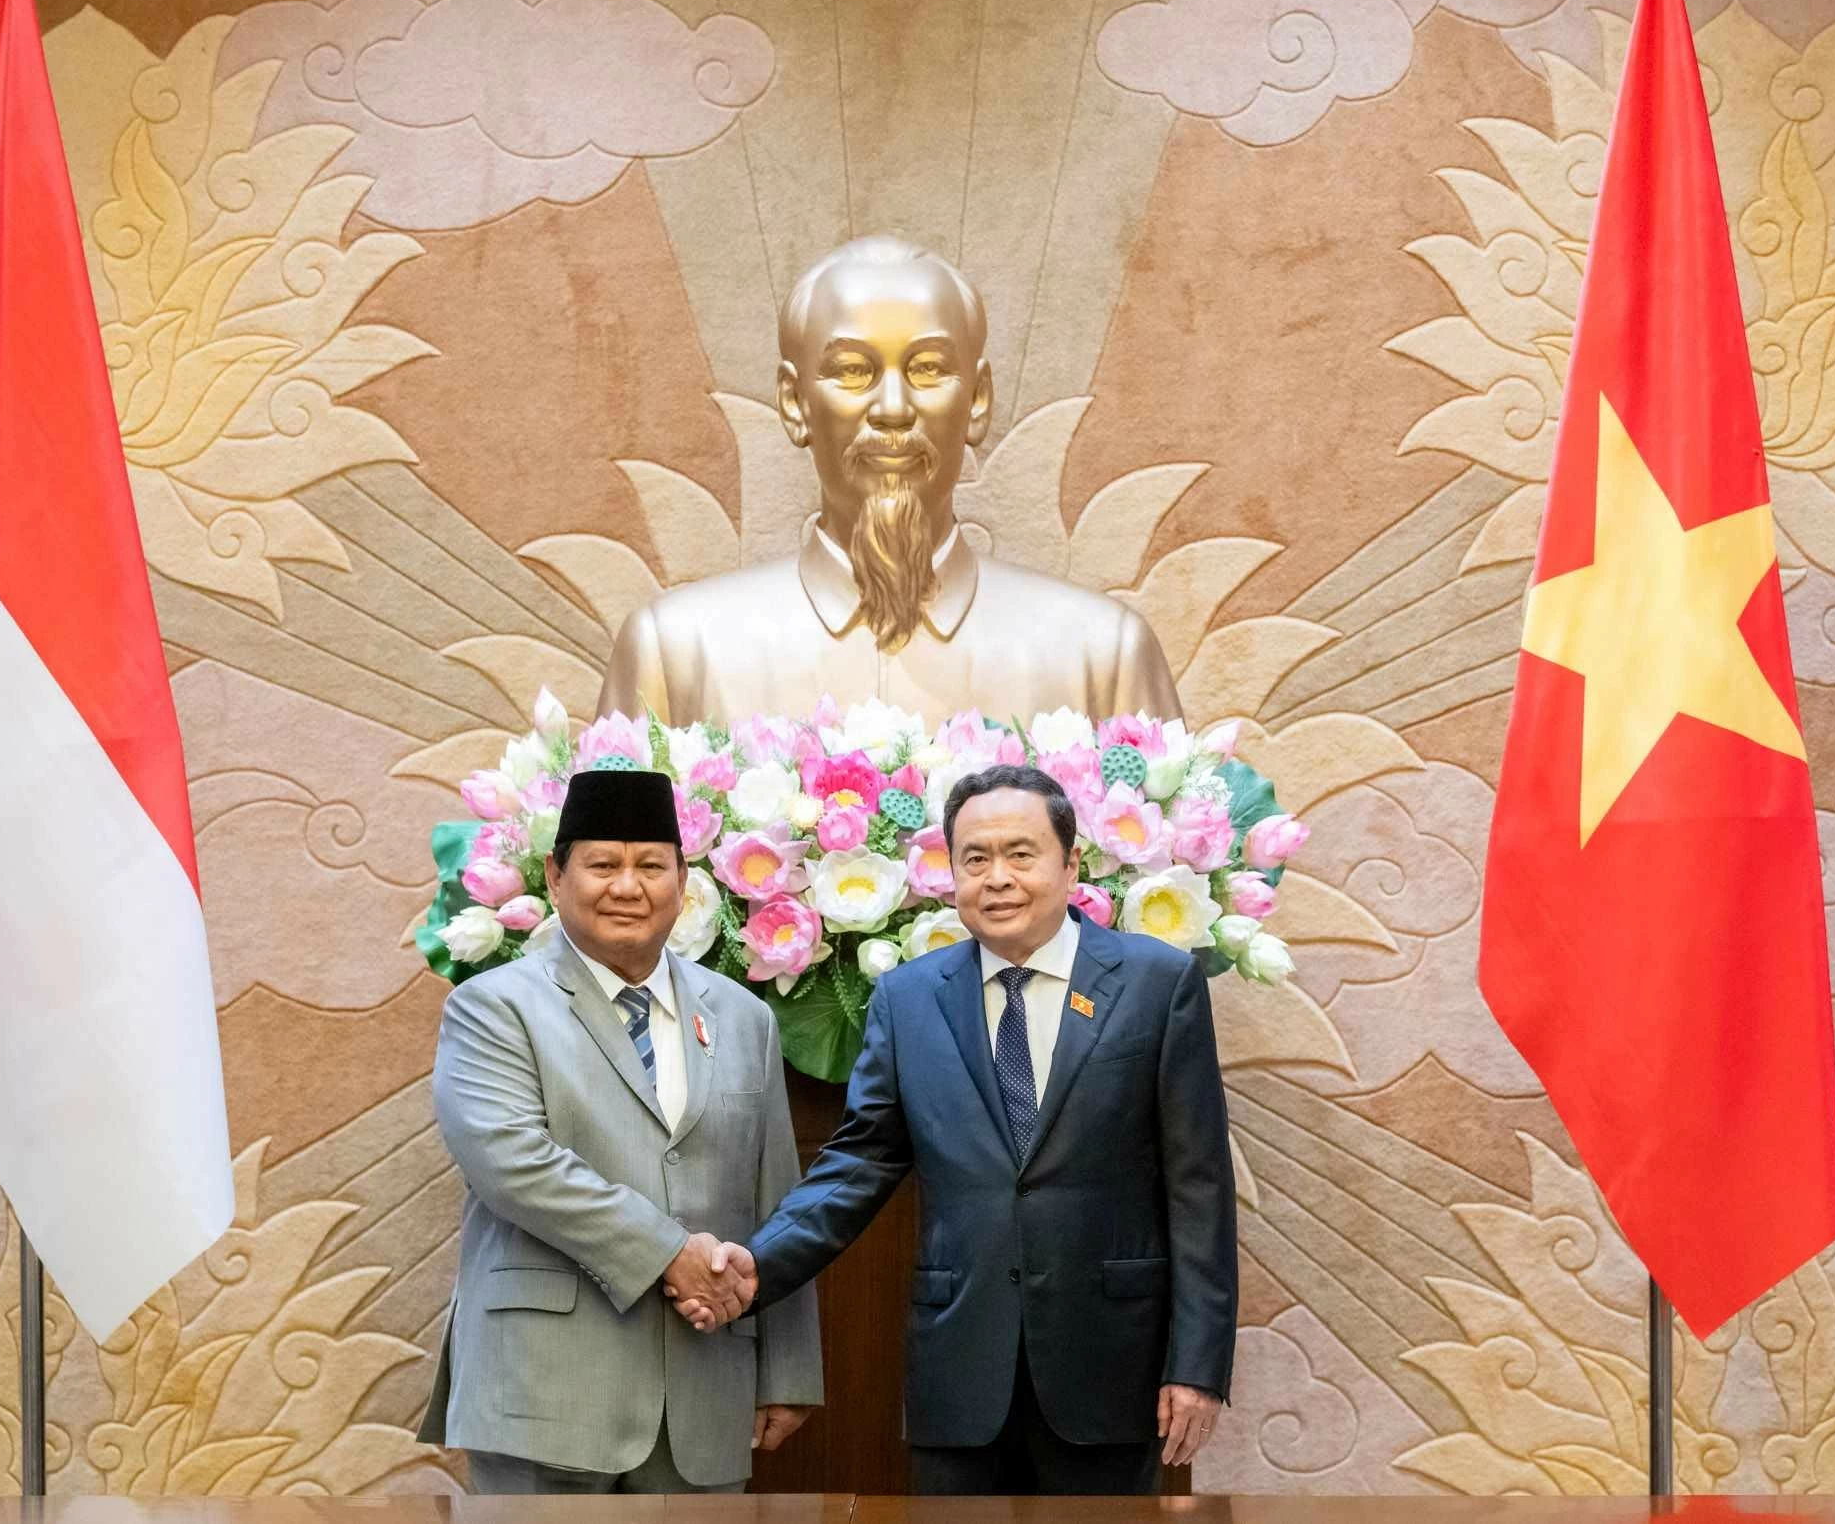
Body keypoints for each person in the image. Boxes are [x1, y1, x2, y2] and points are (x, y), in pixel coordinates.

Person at [677, 764, 1236, 1494]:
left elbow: (1199, 1186)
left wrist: (1196, 1365)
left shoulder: (1157, 984)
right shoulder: (909, 998)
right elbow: (860, 1161)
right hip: (959, 1368)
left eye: (1021, 854)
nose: (996, 876)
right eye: (975, 858)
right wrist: (762, 1263)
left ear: (1071, 864)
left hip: (1110, 1365)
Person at [422, 768, 819, 1492]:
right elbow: (516, 1163)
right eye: (603, 864)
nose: (627, 886)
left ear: (684, 878)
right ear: (555, 873)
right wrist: (672, 1251)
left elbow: (776, 1198)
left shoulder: (743, 1018)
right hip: (544, 1392)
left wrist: (787, 1366)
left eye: (650, 866)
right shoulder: (494, 1008)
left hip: (704, 1392)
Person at [596, 235, 1182, 724]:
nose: (894, 408)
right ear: (795, 402)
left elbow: (1169, 864)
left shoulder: (1103, 659)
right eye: (853, 371)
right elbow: (610, 862)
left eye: (928, 369)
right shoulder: (677, 656)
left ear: (976, 401)